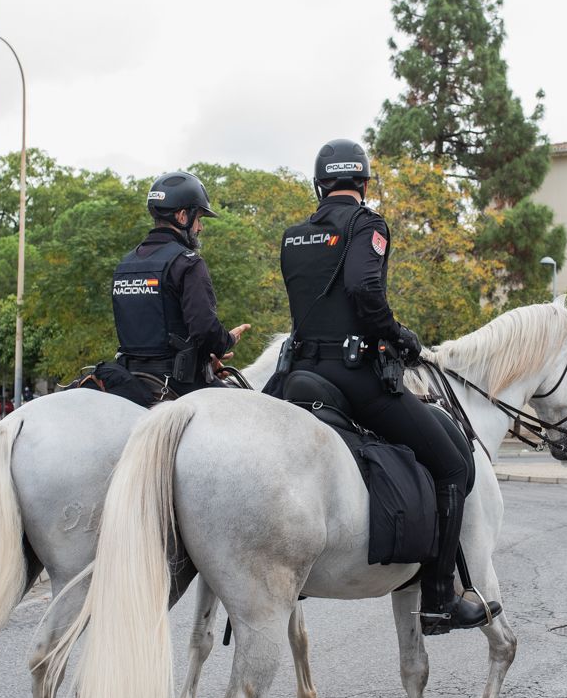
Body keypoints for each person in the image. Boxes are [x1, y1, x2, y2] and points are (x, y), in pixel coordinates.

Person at [278, 138, 495, 635]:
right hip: (353, 377)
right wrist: (398, 336)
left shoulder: (293, 236)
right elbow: (363, 289)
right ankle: (440, 598)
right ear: (364, 182)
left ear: (320, 184)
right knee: (453, 463)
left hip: (297, 375)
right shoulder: (367, 225)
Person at [111, 170, 248, 396]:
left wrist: (206, 359)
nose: (200, 227)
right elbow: (205, 330)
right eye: (199, 219)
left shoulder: (125, 264)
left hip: (129, 378)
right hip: (177, 382)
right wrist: (227, 340)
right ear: (183, 216)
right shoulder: (187, 263)